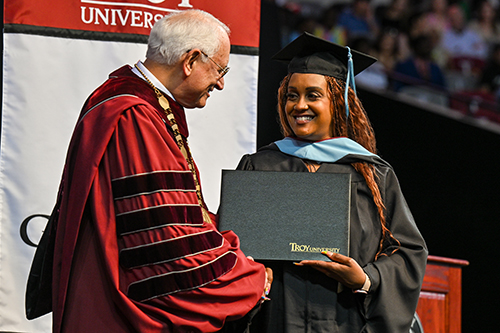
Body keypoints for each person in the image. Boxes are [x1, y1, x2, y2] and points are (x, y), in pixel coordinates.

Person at [25, 9, 271, 333]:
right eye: (219, 69)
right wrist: (247, 278)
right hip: (118, 314)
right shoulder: (135, 118)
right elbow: (166, 241)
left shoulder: (129, 102)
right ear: (191, 60)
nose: (221, 83)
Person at [236, 32, 428, 332]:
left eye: (313, 95)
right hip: (275, 321)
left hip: (346, 320)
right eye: (291, 95)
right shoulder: (260, 166)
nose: (299, 105)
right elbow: (231, 247)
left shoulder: (372, 174)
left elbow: (408, 252)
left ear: (338, 101)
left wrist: (366, 279)